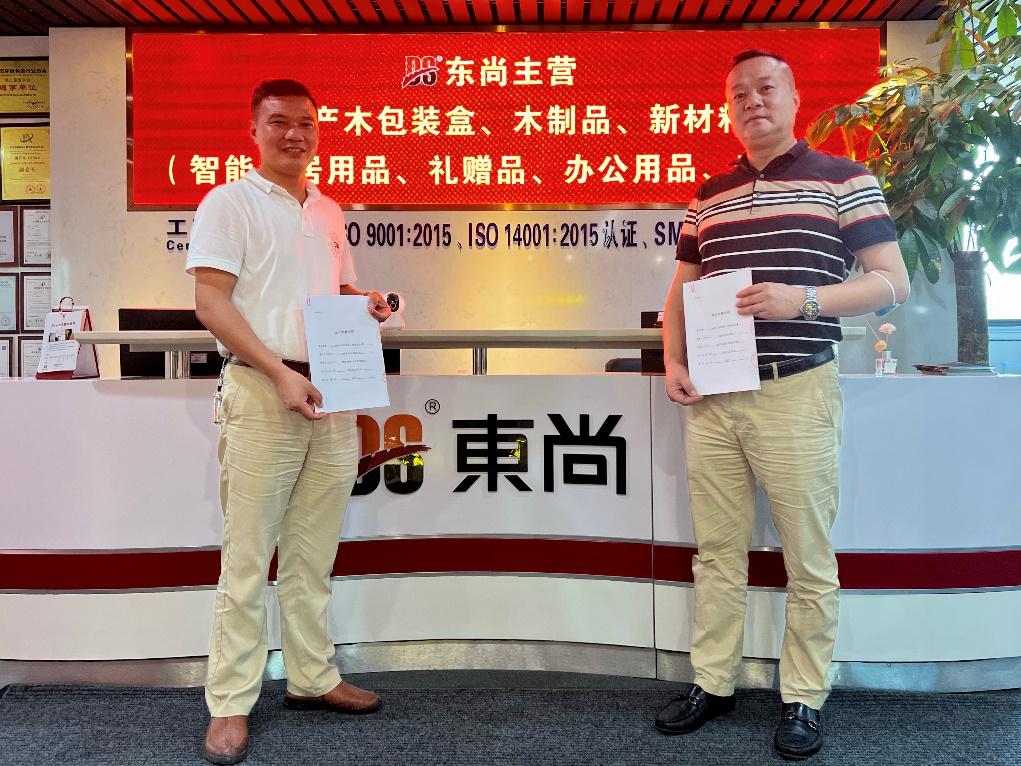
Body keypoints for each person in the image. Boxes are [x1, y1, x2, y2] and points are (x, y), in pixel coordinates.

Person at [655, 51, 909, 760]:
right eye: (738, 93)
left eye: (765, 88)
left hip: (797, 388)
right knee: (716, 553)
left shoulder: (844, 179)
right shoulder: (709, 193)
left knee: (807, 556)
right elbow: (681, 290)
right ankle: (713, 681)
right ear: (727, 109)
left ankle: (803, 696)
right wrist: (673, 359)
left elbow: (892, 282)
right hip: (715, 396)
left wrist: (804, 300)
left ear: (795, 98)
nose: (752, 101)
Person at [186, 79, 392, 765]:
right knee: (247, 558)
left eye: (305, 123)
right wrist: (278, 372)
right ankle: (229, 701)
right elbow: (210, 302)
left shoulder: (328, 211)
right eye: (279, 122)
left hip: (329, 393)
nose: (294, 134)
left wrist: (367, 302)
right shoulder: (229, 203)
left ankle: (311, 676)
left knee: (312, 552)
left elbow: (336, 291)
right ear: (254, 130)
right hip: (261, 389)